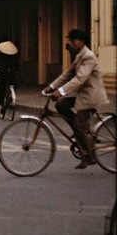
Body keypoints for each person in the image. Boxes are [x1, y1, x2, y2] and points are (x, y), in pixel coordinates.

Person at [43, 29, 109, 169]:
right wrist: (51, 87)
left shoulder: (88, 56)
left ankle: (88, 156)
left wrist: (60, 91)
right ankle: (80, 131)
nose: (71, 43)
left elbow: (80, 78)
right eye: (70, 41)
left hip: (91, 95)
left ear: (82, 42)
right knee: (61, 105)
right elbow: (68, 74)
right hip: (82, 94)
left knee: (79, 125)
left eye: (74, 41)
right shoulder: (80, 55)